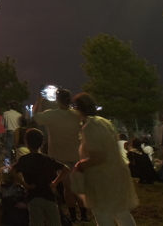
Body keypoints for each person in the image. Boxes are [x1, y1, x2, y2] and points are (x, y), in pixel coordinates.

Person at [72, 93, 138, 226]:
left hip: (102, 179)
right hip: (117, 173)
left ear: (79, 109)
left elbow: (98, 157)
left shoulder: (90, 127)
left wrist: (80, 165)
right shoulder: (103, 122)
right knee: (122, 214)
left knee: (103, 216)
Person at [33, 89, 86, 223]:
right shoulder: (76, 115)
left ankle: (73, 215)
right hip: (76, 154)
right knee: (79, 186)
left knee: (67, 187)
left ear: (57, 100)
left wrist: (39, 101)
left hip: (59, 156)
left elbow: (36, 116)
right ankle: (84, 215)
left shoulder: (51, 115)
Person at [11, 128, 67, 226]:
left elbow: (12, 172)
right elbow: (66, 169)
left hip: (34, 196)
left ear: (26, 142)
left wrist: (24, 184)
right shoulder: (47, 158)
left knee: (36, 222)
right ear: (42, 143)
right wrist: (55, 183)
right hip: (49, 195)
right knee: (55, 222)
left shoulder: (25, 159)